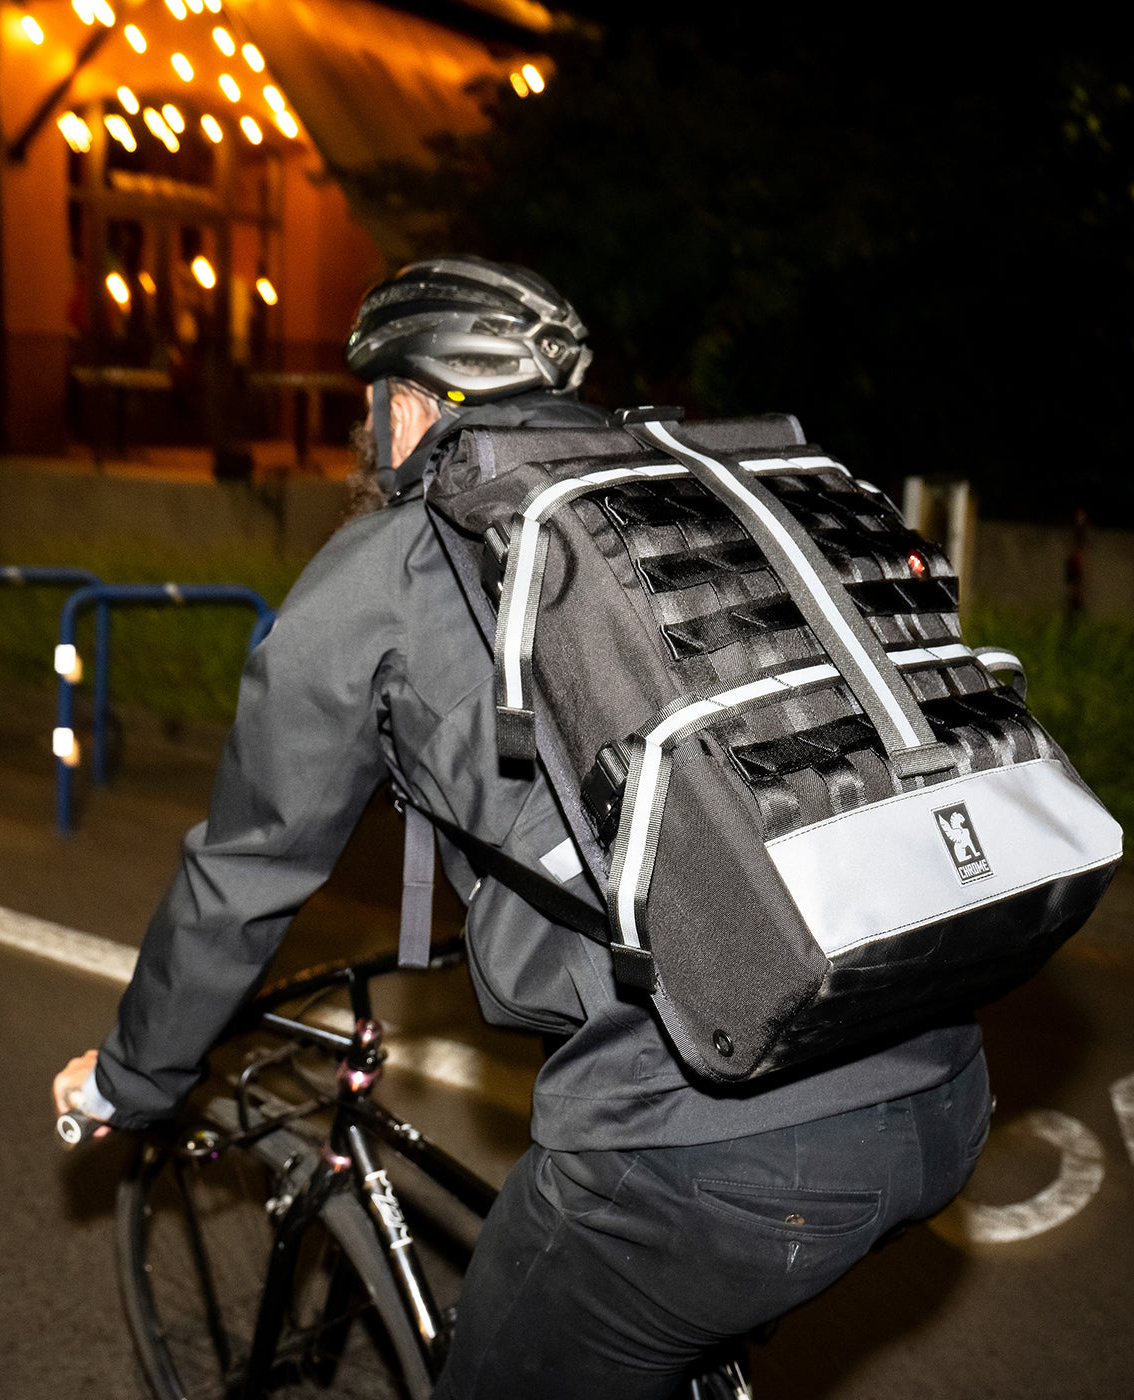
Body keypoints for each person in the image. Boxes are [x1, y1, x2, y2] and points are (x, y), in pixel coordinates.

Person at [53, 254, 992, 1399]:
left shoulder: (389, 570)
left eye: (367, 406)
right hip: (938, 1071)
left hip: (711, 1151)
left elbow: (245, 869)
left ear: (409, 405)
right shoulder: (670, 502)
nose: (363, 433)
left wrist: (129, 1079)